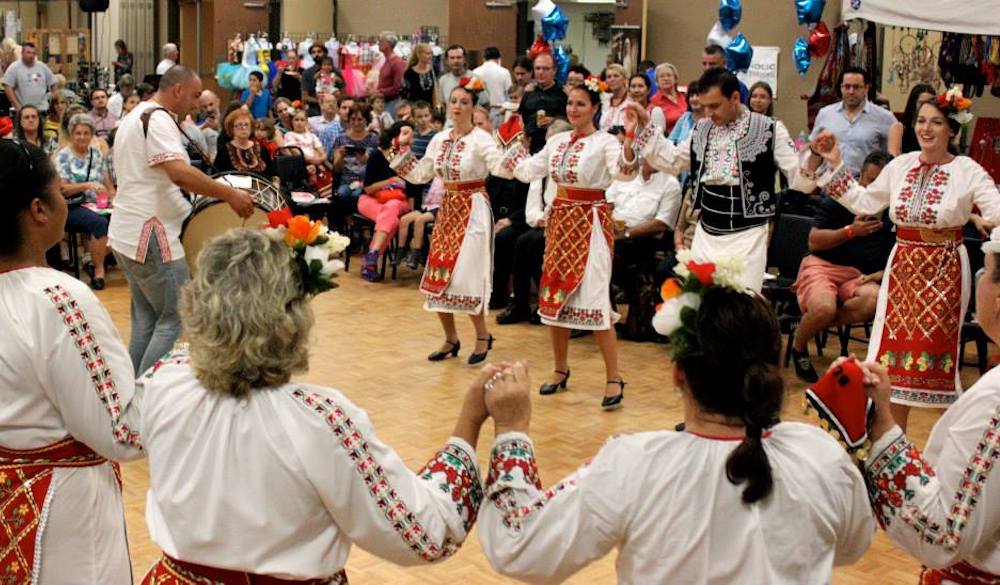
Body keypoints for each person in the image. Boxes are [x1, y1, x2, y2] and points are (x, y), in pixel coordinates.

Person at [138, 227, 492, 582]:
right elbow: (424, 536)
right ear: (293, 320)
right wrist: (469, 425)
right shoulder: (320, 420)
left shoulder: (165, 381)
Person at [476, 281, 873, 583]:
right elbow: (853, 545)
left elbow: (519, 547)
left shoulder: (635, 462)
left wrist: (511, 429)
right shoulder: (820, 455)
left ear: (678, 374)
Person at [808, 89, 1000, 432]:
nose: (926, 129)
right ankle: (890, 448)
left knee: (936, 364)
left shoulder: (967, 170)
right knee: (891, 366)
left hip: (945, 271)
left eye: (936, 122)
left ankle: (957, 447)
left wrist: (987, 222)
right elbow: (865, 203)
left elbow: (995, 208)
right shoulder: (901, 165)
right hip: (903, 269)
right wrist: (836, 162)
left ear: (952, 130)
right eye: (921, 121)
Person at [0, 138, 143, 584]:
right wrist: (181, 377)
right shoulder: (58, 298)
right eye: (60, 190)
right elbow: (123, 432)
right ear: (38, 210)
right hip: (62, 513)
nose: (66, 200)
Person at [829, 229, 1000, 584]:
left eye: (984, 272)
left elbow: (943, 534)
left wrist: (880, 428)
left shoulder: (995, 401)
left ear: (998, 296)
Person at [110, 66, 254, 374]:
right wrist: (228, 194)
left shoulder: (136, 115)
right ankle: (144, 396)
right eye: (193, 96)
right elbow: (178, 172)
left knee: (148, 320)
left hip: (127, 232)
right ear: (177, 91)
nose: (196, 104)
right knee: (175, 319)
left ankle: (130, 395)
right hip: (151, 233)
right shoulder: (158, 118)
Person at [501, 78, 633, 409]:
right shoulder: (557, 141)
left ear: (595, 108)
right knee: (555, 296)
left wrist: (630, 142)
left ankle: (613, 376)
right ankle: (560, 369)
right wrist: (512, 148)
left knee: (596, 298)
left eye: (581, 104)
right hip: (560, 224)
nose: (574, 109)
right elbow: (530, 170)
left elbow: (623, 172)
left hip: (590, 224)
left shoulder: (605, 142)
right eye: (571, 103)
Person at [624, 67, 810, 292]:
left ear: (734, 98)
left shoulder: (770, 129)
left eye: (714, 106)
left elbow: (799, 179)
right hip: (707, 230)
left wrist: (815, 157)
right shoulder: (702, 129)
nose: (709, 113)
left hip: (748, 233)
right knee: (702, 301)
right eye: (704, 107)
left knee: (741, 303)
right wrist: (646, 125)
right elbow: (672, 161)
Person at [392, 82, 501, 365]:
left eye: (464, 102)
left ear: (473, 107)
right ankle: (451, 338)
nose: (457, 106)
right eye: (454, 101)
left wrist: (511, 150)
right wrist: (402, 149)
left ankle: (482, 335)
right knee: (439, 272)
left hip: (474, 206)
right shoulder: (439, 139)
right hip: (449, 207)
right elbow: (420, 175)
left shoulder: (482, 139)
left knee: (468, 273)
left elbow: (499, 166)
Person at [790, 151, 895, 382]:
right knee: (824, 308)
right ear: (860, 177)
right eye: (869, 181)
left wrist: (879, 274)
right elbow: (813, 241)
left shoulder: (892, 210)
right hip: (822, 265)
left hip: (859, 275)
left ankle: (805, 325)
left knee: (875, 299)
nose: (873, 188)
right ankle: (799, 346)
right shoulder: (840, 198)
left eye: (880, 183)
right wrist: (850, 232)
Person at [496, 122, 568, 326]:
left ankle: (548, 303)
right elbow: (531, 207)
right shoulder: (542, 167)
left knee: (533, 244)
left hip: (568, 225)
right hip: (543, 224)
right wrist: (539, 219)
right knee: (523, 242)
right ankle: (519, 303)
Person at [54, 113, 116, 289]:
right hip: (72, 206)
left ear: (91, 135)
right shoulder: (63, 156)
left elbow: (108, 184)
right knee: (98, 223)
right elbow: (63, 189)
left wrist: (113, 198)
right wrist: (87, 185)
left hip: (97, 204)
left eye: (86, 133)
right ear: (71, 134)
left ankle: (91, 258)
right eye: (78, 133)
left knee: (122, 218)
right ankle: (99, 271)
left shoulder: (96, 154)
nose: (82, 137)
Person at [811, 67, 897, 177]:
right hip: (830, 182)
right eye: (847, 87)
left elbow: (892, 157)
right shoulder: (825, 114)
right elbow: (815, 151)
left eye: (856, 87)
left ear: (866, 88)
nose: (851, 91)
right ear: (841, 88)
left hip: (865, 184)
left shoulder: (885, 117)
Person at [358, 122, 413, 281]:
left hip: (399, 200)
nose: (408, 137)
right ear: (394, 136)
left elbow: (413, 188)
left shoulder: (408, 158)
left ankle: (371, 258)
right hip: (371, 199)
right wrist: (389, 181)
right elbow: (368, 189)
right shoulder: (377, 155)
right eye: (404, 133)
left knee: (391, 207)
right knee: (392, 221)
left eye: (410, 134)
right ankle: (371, 260)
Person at [518, 52, 567, 154]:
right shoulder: (529, 92)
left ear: (554, 71)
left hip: (556, 147)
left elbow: (572, 121)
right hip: (531, 147)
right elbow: (521, 117)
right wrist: (524, 135)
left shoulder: (564, 93)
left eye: (545, 69)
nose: (541, 72)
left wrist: (555, 121)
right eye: (538, 68)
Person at [214, 107, 275, 177]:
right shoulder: (224, 151)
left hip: (262, 186)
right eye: (239, 125)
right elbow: (217, 176)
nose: (244, 128)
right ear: (231, 129)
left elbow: (273, 173)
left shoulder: (262, 149)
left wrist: (275, 183)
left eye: (246, 125)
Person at [396, 176, 442, 270]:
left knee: (420, 220)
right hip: (426, 206)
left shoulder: (447, 177)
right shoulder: (432, 177)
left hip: (439, 208)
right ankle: (401, 251)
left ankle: (416, 254)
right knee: (404, 220)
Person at [3, 42, 55, 113]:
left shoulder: (42, 67)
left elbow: (53, 83)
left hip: (41, 109)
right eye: (28, 52)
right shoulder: (14, 67)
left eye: (33, 53)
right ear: (22, 53)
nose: (31, 55)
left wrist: (53, 102)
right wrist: (17, 105)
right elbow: (7, 87)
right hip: (22, 110)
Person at [887, 83, 938, 157]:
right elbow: (894, 157)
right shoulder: (899, 128)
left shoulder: (936, 129)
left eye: (930, 103)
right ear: (914, 103)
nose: (926, 107)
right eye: (922, 103)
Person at [439, 44, 489, 112]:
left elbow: (486, 104)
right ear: (447, 61)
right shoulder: (443, 81)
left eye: (459, 57)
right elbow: (443, 105)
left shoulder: (475, 79)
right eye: (452, 58)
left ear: (464, 59)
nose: (456, 61)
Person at [301, 43, 344, 117]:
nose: (316, 54)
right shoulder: (306, 73)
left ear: (325, 53)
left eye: (319, 51)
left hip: (334, 110)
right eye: (313, 52)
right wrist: (322, 101)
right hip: (315, 111)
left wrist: (332, 101)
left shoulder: (335, 71)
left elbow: (343, 93)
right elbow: (304, 97)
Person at [474, 46, 512, 127]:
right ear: (499, 58)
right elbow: (510, 93)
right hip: (499, 110)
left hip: (480, 110)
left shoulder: (475, 72)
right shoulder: (504, 72)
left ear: (484, 58)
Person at [649, 62, 687, 135]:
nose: (666, 78)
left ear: (675, 79)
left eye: (669, 75)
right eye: (662, 76)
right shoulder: (654, 102)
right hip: (669, 141)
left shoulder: (685, 96)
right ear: (657, 82)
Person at [376, 32, 406, 114]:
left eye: (381, 41)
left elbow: (398, 87)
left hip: (393, 103)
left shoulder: (397, 63)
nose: (378, 43)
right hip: (384, 102)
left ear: (387, 44)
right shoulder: (387, 60)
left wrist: (379, 92)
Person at [402, 42, 438, 106]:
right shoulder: (409, 73)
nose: (430, 56)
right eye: (427, 53)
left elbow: (435, 91)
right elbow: (404, 94)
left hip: (430, 109)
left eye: (431, 53)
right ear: (419, 55)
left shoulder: (433, 69)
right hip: (414, 109)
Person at [598, 63, 631, 132]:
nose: (612, 79)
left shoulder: (631, 101)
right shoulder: (605, 100)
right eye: (609, 77)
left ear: (624, 79)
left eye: (616, 76)